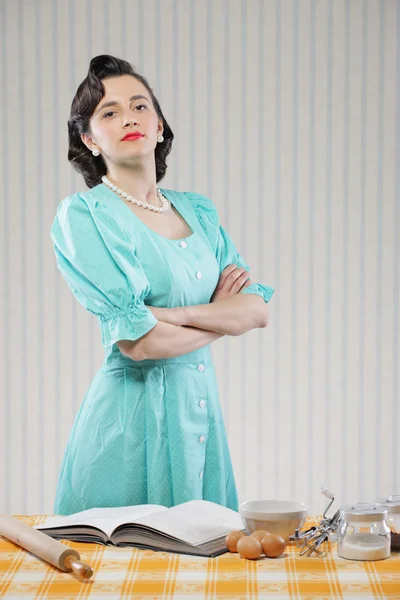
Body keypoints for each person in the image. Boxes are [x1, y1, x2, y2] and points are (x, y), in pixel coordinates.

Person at [50, 54, 274, 516]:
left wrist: (176, 316)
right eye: (109, 112)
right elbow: (141, 344)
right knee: (121, 576)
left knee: (206, 574)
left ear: (159, 127)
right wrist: (219, 317)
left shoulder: (198, 211)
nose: (128, 117)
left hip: (201, 420)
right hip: (129, 428)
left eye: (140, 106)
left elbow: (256, 310)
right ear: (89, 139)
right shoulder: (84, 217)